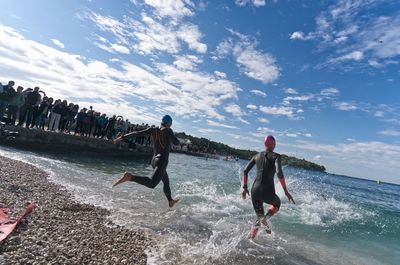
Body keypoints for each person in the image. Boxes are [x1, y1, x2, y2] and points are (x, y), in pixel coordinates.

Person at [112, 115, 180, 208]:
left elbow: (137, 133)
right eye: (170, 125)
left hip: (154, 160)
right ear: (169, 124)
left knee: (166, 181)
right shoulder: (168, 130)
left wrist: (121, 137)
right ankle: (130, 177)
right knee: (152, 184)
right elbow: (176, 143)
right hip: (162, 161)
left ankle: (170, 201)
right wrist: (172, 137)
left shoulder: (153, 129)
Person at [242, 135, 295, 239]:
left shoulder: (256, 156)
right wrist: (285, 191)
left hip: (255, 191)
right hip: (267, 192)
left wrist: (244, 187)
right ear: (274, 144)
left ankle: (251, 239)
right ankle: (265, 219)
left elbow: (245, 171)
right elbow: (279, 172)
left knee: (259, 217)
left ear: (264, 144)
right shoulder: (276, 156)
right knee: (277, 203)